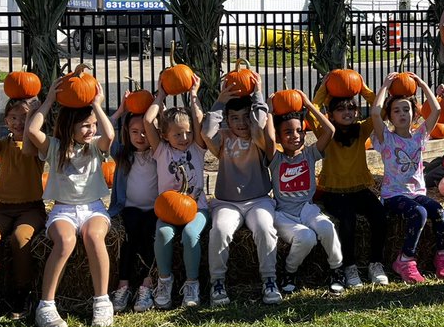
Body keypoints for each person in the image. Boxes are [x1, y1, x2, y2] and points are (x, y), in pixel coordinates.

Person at [25, 78, 117, 327]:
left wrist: (97, 105)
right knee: (65, 241)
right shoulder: (54, 148)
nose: (91, 130)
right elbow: (33, 131)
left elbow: (110, 134)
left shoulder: (95, 147)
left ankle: (102, 301)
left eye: (93, 125)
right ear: (69, 127)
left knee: (94, 235)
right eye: (85, 126)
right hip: (63, 209)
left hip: (93, 208)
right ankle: (46, 305)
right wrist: (49, 101)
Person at [201, 73, 281, 306]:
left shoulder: (258, 139)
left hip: (258, 200)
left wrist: (257, 94)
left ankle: (269, 280)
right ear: (226, 119)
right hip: (227, 202)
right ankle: (218, 282)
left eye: (245, 117)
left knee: (266, 229)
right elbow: (206, 132)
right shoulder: (222, 139)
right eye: (234, 118)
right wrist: (219, 102)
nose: (241, 123)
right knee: (219, 230)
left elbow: (259, 123)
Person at [371, 73, 444, 283]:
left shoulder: (419, 136)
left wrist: (422, 84)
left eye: (406, 109)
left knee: (439, 211)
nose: (402, 113)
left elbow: (438, 110)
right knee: (419, 213)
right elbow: (375, 113)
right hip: (393, 195)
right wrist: (386, 85)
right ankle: (405, 259)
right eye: (396, 110)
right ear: (390, 116)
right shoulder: (386, 138)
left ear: (414, 114)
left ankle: (443, 255)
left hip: (416, 193)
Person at [0, 96, 44, 319]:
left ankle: (21, 293)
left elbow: (28, 150)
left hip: (31, 208)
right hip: (3, 208)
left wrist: (34, 115)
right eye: (14, 117)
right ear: (6, 121)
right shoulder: (3, 145)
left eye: (24, 116)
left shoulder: (36, 145)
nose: (19, 121)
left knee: (20, 238)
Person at [315, 74, 390, 288]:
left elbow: (382, 111)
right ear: (331, 113)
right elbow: (311, 110)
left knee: (380, 215)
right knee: (348, 222)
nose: (347, 113)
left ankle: (376, 263)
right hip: (334, 192)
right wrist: (324, 87)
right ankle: (349, 267)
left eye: (351, 108)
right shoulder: (325, 131)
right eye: (340, 109)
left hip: (359, 189)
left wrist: (362, 86)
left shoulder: (361, 130)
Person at [143, 81, 211, 308]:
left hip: (197, 207)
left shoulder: (197, 148)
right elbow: (146, 121)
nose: (184, 137)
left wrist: (193, 95)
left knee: (191, 235)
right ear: (165, 135)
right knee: (162, 233)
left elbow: (200, 120)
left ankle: (192, 284)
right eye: (178, 134)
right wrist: (160, 95)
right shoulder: (161, 150)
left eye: (188, 132)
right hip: (169, 210)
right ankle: (164, 280)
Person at [270, 93, 345, 295]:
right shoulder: (275, 159)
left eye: (299, 131)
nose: (295, 135)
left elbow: (330, 130)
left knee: (327, 227)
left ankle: (337, 269)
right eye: (287, 132)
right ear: (278, 137)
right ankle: (289, 272)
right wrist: (269, 110)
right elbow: (267, 138)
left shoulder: (309, 154)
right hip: (283, 214)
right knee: (306, 237)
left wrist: (309, 105)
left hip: (307, 208)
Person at [108, 96, 160, 314]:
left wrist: (160, 105)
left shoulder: (159, 153)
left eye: (145, 131)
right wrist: (119, 112)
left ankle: (147, 285)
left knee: (149, 235)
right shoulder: (123, 154)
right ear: (127, 133)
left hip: (155, 209)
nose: (140, 136)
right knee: (128, 237)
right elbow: (106, 134)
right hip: (128, 208)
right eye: (134, 131)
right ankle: (123, 285)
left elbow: (165, 128)